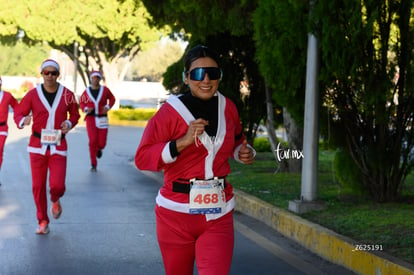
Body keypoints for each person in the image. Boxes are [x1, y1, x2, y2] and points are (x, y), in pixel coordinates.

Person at [135, 45, 255, 275]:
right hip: (175, 215)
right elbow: (142, 157)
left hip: (217, 212)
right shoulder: (169, 112)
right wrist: (182, 142)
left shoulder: (227, 107)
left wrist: (245, 152)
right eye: (198, 74)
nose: (206, 80)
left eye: (213, 73)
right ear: (187, 77)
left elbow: (238, 141)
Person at [14, 59, 80, 234]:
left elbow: (75, 113)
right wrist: (23, 120)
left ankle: (55, 198)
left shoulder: (67, 94)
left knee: (57, 184)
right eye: (46, 72)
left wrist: (69, 122)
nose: (50, 76)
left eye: (53, 73)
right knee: (38, 186)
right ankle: (43, 220)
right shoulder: (32, 95)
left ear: (58, 75)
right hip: (37, 146)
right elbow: (19, 112)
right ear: (42, 74)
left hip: (58, 144)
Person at [79, 70, 116, 172]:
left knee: (102, 142)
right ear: (91, 79)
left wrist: (108, 106)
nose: (95, 80)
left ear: (100, 79)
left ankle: (99, 149)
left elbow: (112, 99)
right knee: (92, 141)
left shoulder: (105, 90)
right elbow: (81, 102)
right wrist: (86, 109)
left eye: (97, 78)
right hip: (91, 118)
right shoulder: (86, 91)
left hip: (102, 117)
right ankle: (93, 163)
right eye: (93, 78)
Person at [0, 76, 19, 186]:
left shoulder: (7, 96)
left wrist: (22, 116)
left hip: (2, 128)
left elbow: (17, 106)